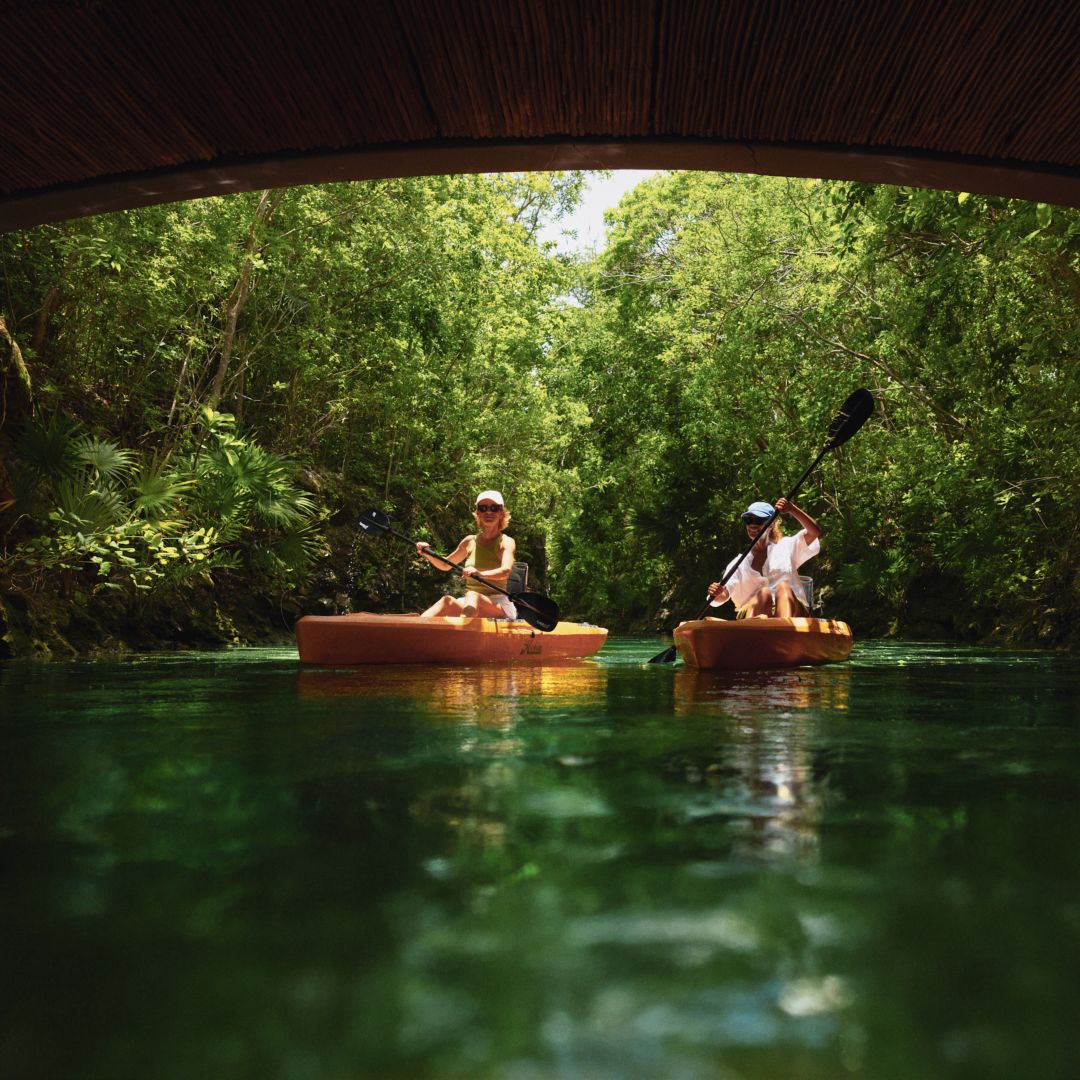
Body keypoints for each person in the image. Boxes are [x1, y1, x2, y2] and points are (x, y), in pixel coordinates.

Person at [706, 498, 820, 619]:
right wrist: (717, 592)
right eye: (749, 520)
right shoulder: (738, 563)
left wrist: (792, 509)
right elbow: (723, 594)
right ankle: (758, 631)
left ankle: (782, 630)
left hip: (792, 613)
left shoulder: (786, 546)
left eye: (759, 521)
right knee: (763, 594)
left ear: (771, 524)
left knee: (784, 588)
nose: (753, 525)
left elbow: (814, 532)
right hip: (753, 615)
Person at [416, 490, 518, 619]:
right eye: (483, 508)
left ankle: (462, 632)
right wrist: (427, 553)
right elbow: (445, 565)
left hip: (499, 606)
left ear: (501, 513)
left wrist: (480, 574)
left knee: (472, 595)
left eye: (494, 508)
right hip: (470, 603)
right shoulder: (469, 541)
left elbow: (505, 571)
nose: (488, 512)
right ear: (478, 513)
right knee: (447, 601)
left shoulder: (506, 542)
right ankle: (413, 629)